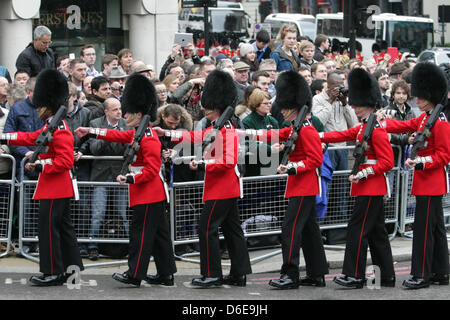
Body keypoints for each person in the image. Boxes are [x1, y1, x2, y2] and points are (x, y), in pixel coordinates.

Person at [75, 73, 176, 287]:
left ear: (138, 114)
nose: (125, 115)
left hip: (148, 193)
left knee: (140, 236)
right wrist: (90, 131)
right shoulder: (137, 133)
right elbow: (115, 135)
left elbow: (151, 169)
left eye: (128, 112)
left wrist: (130, 178)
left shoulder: (147, 137)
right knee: (159, 236)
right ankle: (166, 274)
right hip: (149, 193)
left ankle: (134, 273)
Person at [155, 70, 252, 288]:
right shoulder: (215, 127)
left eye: (207, 106)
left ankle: (212, 274)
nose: (203, 108)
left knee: (205, 228)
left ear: (216, 106)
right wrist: (168, 134)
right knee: (232, 230)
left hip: (222, 188)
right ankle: (239, 273)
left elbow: (227, 161)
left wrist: (202, 164)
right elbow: (195, 136)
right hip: (225, 187)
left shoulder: (226, 129)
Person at [246, 71, 328, 289]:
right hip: (300, 185)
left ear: (294, 107)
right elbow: (278, 134)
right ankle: (317, 273)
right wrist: (248, 133)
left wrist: (291, 167)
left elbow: (315, 160)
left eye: (284, 107)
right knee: (310, 230)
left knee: (290, 229)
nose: (281, 111)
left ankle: (290, 274)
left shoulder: (307, 130)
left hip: (304, 185)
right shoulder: (296, 127)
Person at [1, 69, 83, 286]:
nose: (37, 109)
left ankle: (53, 272)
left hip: (56, 187)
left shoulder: (61, 129)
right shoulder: (52, 126)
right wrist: (3, 136)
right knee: (64, 230)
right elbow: (29, 136)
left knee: (48, 230)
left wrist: (39, 165)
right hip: (55, 187)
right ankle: (71, 270)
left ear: (48, 106)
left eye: (40, 106)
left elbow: (65, 162)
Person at [320, 68, 396, 289]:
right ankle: (386, 276)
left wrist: (364, 172)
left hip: (370, 186)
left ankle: (354, 275)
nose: (353, 106)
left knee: (358, 230)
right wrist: (319, 135)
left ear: (367, 104)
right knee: (377, 233)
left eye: (357, 104)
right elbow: (342, 134)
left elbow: (387, 162)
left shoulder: (377, 130)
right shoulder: (365, 126)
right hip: (367, 186)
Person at [380, 63, 450, 289]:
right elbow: (403, 126)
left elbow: (444, 156)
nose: (416, 100)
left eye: (420, 96)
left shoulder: (440, 122)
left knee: (423, 231)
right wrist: (381, 124)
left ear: (430, 96)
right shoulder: (424, 118)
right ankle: (441, 271)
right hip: (426, 183)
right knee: (437, 230)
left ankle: (421, 274)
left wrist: (419, 161)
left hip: (432, 182)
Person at [86, 97, 130, 261]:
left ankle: (126, 245)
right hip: (101, 175)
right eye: (115, 109)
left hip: (120, 174)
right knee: (98, 212)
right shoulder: (95, 124)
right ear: (106, 111)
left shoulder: (126, 124)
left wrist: (121, 137)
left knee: (122, 213)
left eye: (120, 108)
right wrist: (111, 135)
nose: (119, 112)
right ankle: (92, 245)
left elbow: (129, 149)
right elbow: (95, 149)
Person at [242, 88, 279, 177]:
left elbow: (279, 138)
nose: (269, 105)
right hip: (255, 168)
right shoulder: (247, 122)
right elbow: (250, 144)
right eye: (265, 103)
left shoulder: (272, 121)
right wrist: (270, 149)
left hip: (273, 166)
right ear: (256, 105)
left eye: (269, 103)